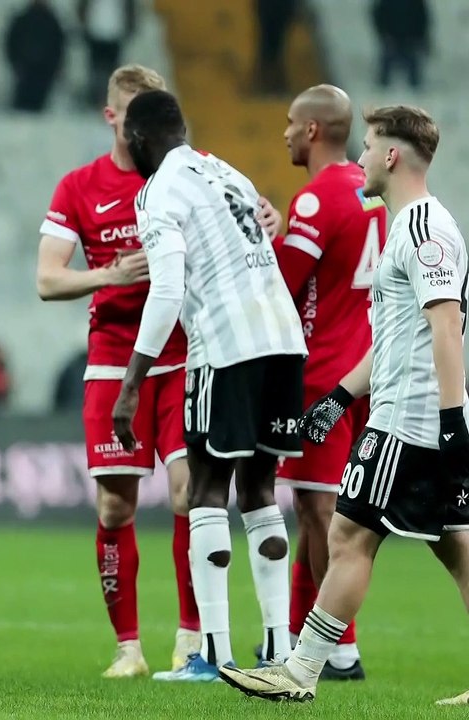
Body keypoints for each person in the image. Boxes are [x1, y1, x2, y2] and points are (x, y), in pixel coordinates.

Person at [220, 107, 469, 706]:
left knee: (351, 535)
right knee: (457, 549)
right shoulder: (401, 224)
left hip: (409, 420)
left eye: (368, 146)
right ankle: (302, 669)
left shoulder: (424, 231)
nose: (358, 157)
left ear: (391, 156)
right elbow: (394, 338)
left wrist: (450, 422)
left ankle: (301, 671)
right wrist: (337, 398)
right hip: (407, 410)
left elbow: (445, 328)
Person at [112, 89, 307, 681]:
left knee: (205, 490)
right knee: (260, 492)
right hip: (283, 339)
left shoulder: (158, 190)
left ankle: (214, 655)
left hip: (227, 346)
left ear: (140, 139)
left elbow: (168, 289)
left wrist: (132, 383)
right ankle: (277, 650)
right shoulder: (228, 172)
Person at [36, 65, 200, 678]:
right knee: (113, 508)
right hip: (111, 358)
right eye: (132, 115)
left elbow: (247, 219)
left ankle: (191, 636)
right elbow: (48, 279)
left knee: (190, 492)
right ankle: (128, 648)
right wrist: (108, 274)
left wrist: (268, 216)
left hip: (183, 352)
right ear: (112, 117)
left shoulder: (190, 173)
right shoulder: (80, 186)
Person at [263, 84, 386, 679]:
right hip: (369, 370)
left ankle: (338, 649)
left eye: (290, 123)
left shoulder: (314, 201)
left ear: (313, 131)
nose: (284, 132)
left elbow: (283, 288)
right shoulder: (374, 196)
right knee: (328, 511)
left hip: (323, 375)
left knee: (318, 512)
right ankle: (296, 637)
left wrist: (266, 237)